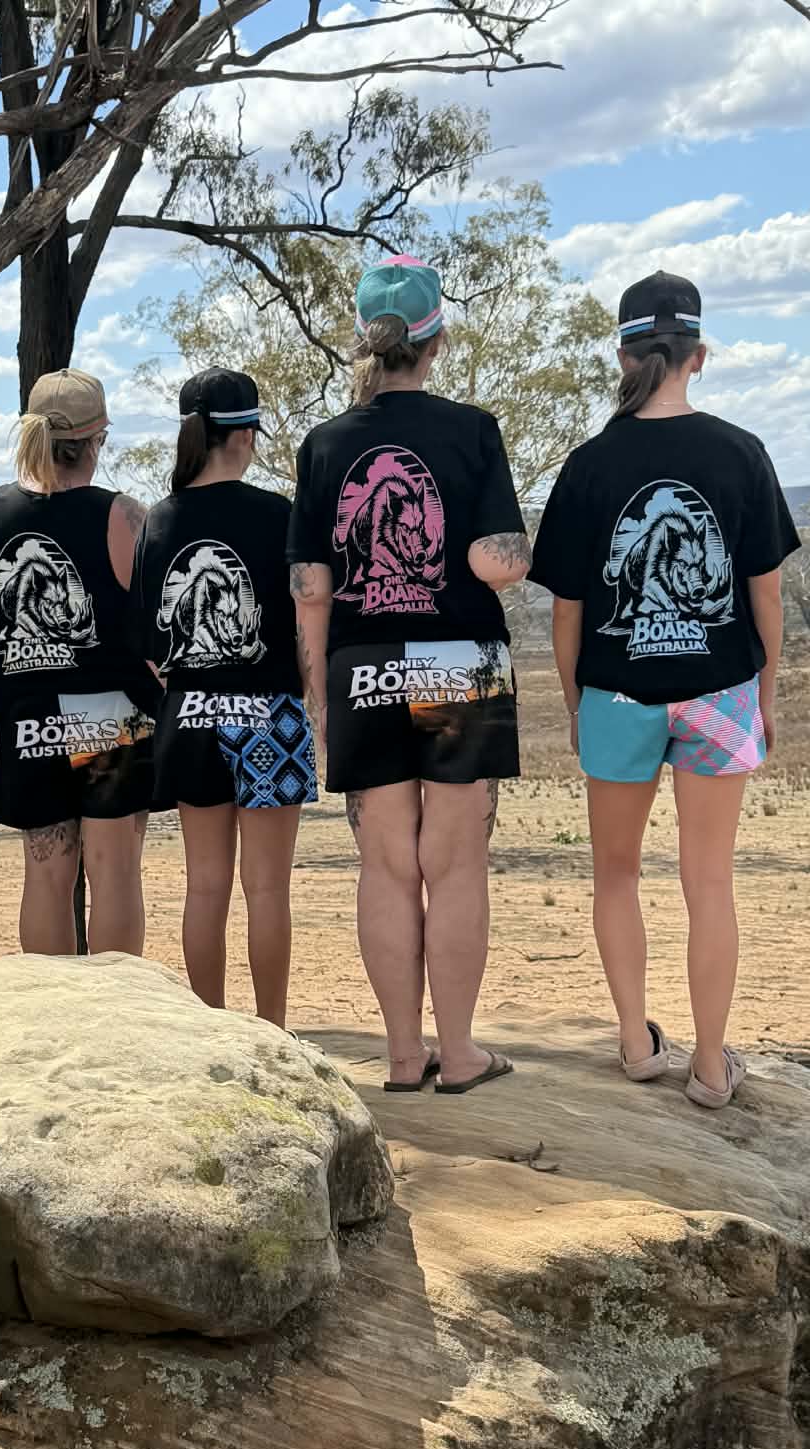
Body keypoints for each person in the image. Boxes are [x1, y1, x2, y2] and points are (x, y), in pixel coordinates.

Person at [530, 272, 800, 1110]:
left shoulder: (587, 466)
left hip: (615, 694)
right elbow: (765, 595)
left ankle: (635, 1040)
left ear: (624, 355)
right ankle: (712, 1065)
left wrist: (576, 705)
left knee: (615, 874)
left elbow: (566, 612)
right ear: (700, 356)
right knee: (708, 881)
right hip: (719, 691)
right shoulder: (740, 452)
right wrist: (767, 688)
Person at [287, 256, 530, 1093]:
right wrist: (506, 553)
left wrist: (320, 699)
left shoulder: (323, 445)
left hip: (363, 670)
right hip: (458, 665)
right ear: (436, 343)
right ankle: (459, 1054)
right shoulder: (473, 431)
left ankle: (400, 1055)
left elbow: (311, 589)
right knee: (455, 865)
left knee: (386, 866)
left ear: (367, 342)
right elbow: (497, 560)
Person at [134, 369, 315, 1028]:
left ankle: (211, 1032)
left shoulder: (158, 520)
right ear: (244, 437)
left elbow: (150, 642)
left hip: (189, 718)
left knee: (204, 884)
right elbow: (305, 618)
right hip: (268, 715)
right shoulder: (279, 515)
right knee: (267, 888)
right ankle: (273, 1033)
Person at [0, 370, 156, 956]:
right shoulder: (122, 516)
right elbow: (154, 638)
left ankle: (52, 1020)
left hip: (29, 718)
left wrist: (3, 694)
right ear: (96, 441)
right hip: (114, 717)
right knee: (115, 873)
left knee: (45, 877)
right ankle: (113, 1022)